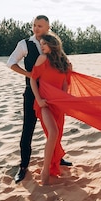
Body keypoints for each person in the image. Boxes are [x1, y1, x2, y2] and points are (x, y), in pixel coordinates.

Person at [6, 15, 71, 184]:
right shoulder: (24, 44)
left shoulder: (52, 44)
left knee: (55, 128)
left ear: (48, 27)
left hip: (53, 94)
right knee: (28, 129)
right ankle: (23, 166)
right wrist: (29, 75)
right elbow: (11, 63)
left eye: (40, 26)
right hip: (32, 93)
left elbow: (63, 68)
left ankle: (57, 158)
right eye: (34, 25)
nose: (36, 28)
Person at [29, 33, 72, 185]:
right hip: (44, 103)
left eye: (44, 44)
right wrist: (39, 100)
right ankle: (45, 170)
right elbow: (33, 79)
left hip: (58, 104)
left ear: (52, 44)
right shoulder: (42, 59)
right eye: (40, 44)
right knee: (53, 133)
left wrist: (64, 100)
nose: (41, 47)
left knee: (56, 136)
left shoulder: (65, 63)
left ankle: (54, 164)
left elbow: (66, 83)